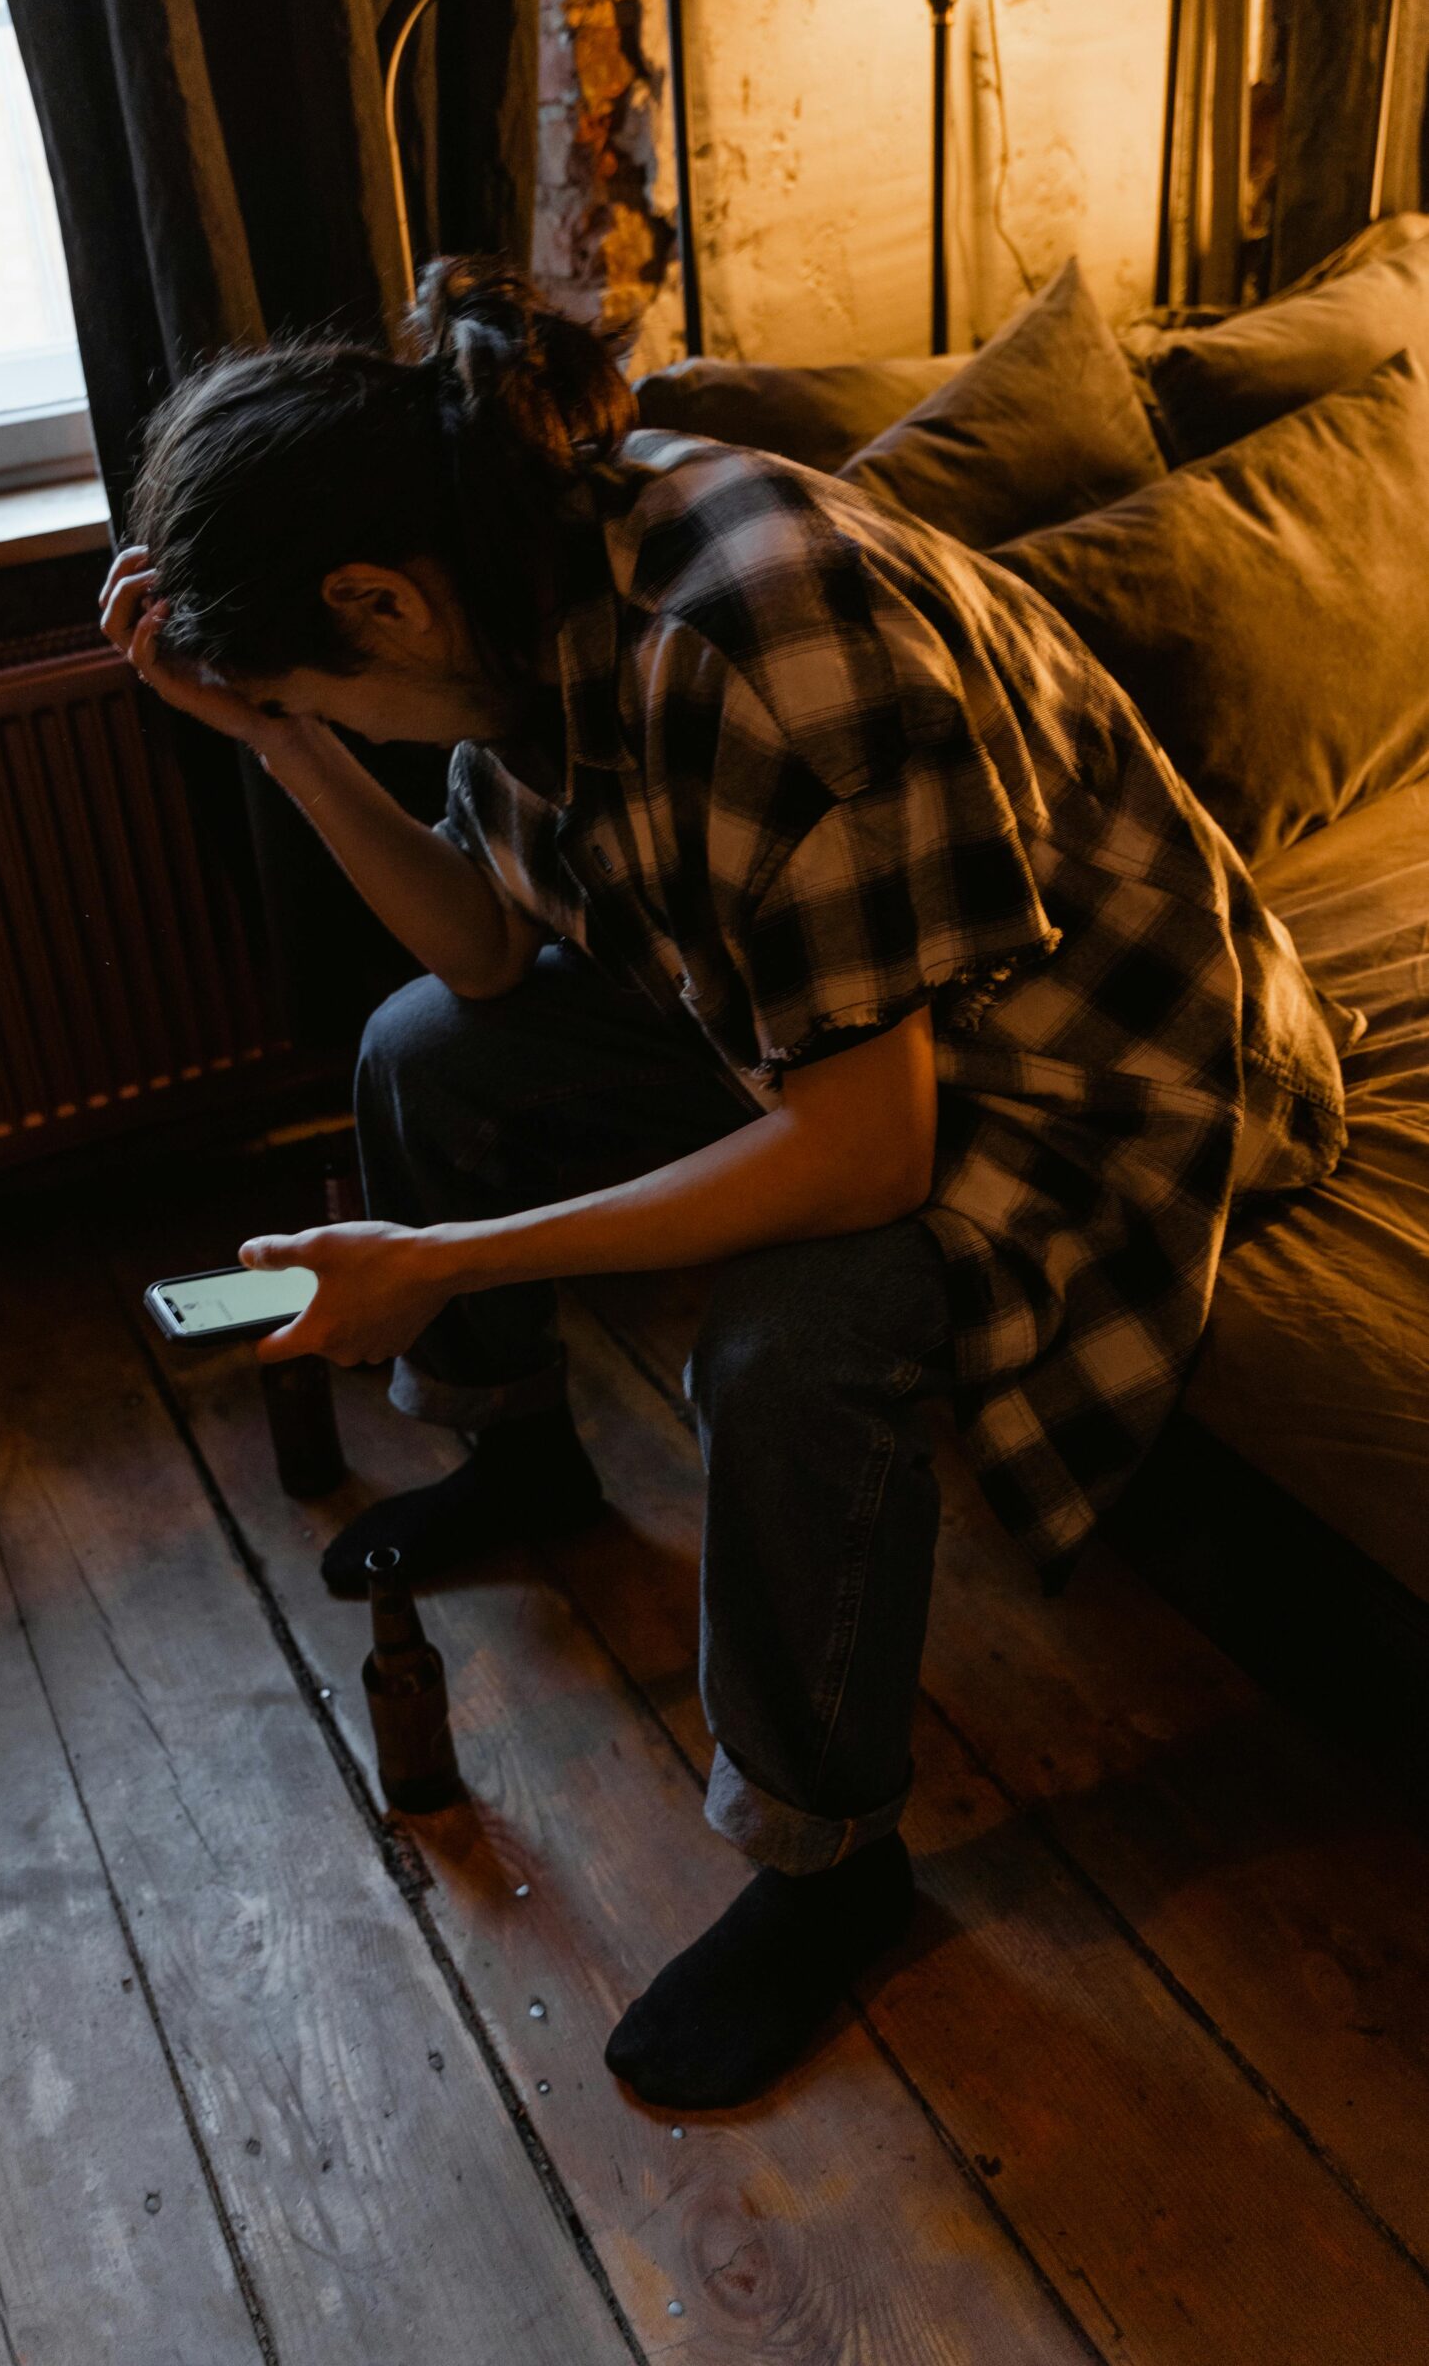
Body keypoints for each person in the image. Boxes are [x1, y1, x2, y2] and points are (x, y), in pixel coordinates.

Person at [101, 257, 1363, 2112]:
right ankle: (518, 1452)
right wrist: (281, 732)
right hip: (833, 1019)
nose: (347, 718)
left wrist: (443, 1258)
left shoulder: (760, 639)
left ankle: (829, 1867)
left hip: (1104, 1063)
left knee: (790, 1339)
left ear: (376, 596)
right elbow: (472, 955)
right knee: (415, 1055)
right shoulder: (505, 573)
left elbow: (869, 1154)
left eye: (321, 680)